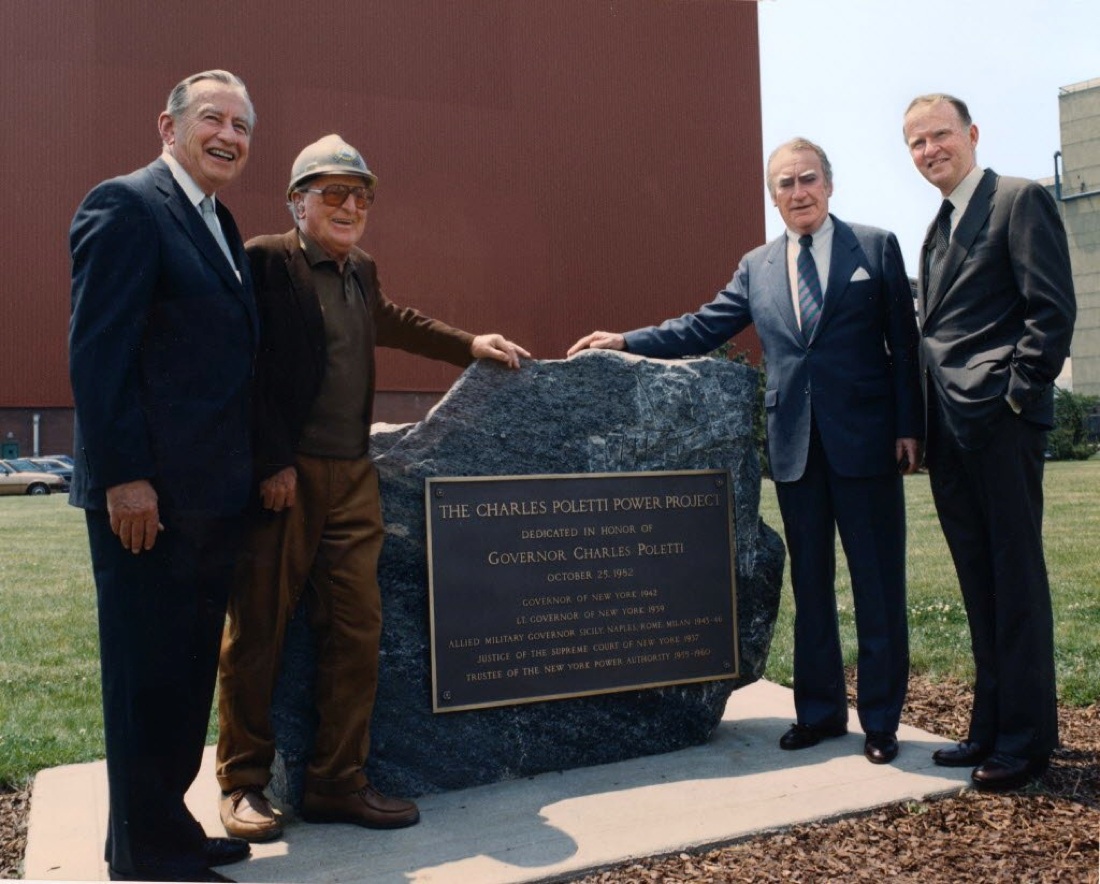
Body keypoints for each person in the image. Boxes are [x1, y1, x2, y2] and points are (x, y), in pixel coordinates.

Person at [568, 138, 922, 765]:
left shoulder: (874, 247)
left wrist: (909, 427)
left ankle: (880, 722)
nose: (798, 192)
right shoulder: (757, 266)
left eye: (807, 179)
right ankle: (819, 714)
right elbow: (704, 325)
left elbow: (904, 343)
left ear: (829, 184)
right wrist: (627, 340)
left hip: (867, 443)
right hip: (795, 449)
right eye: (785, 184)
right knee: (810, 586)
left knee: (877, 585)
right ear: (773, 196)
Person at [216, 134, 530, 841]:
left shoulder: (359, 269)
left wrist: (469, 344)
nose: (350, 206)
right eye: (334, 192)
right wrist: (270, 462)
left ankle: (336, 781)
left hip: (353, 475)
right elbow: (239, 366)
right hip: (284, 478)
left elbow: (394, 321)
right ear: (297, 202)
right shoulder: (265, 260)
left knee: (357, 631)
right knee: (259, 629)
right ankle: (242, 782)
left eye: (361, 196)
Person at [68, 70, 258, 882]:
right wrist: (124, 479)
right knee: (146, 679)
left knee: (182, 678)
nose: (229, 136)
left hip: (207, 499)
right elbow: (98, 354)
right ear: (168, 126)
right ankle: (146, 854)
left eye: (243, 126)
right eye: (213, 118)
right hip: (147, 501)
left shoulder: (217, 219)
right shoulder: (126, 205)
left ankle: (164, 829)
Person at [902, 94, 1076, 791]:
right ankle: (990, 725)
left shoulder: (1017, 200)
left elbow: (1051, 311)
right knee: (979, 583)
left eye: (939, 135)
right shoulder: (938, 226)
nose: (929, 150)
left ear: (971, 133)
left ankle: (1026, 741)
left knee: (1016, 581)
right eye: (916, 143)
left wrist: (1014, 394)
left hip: (1000, 423)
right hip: (950, 432)